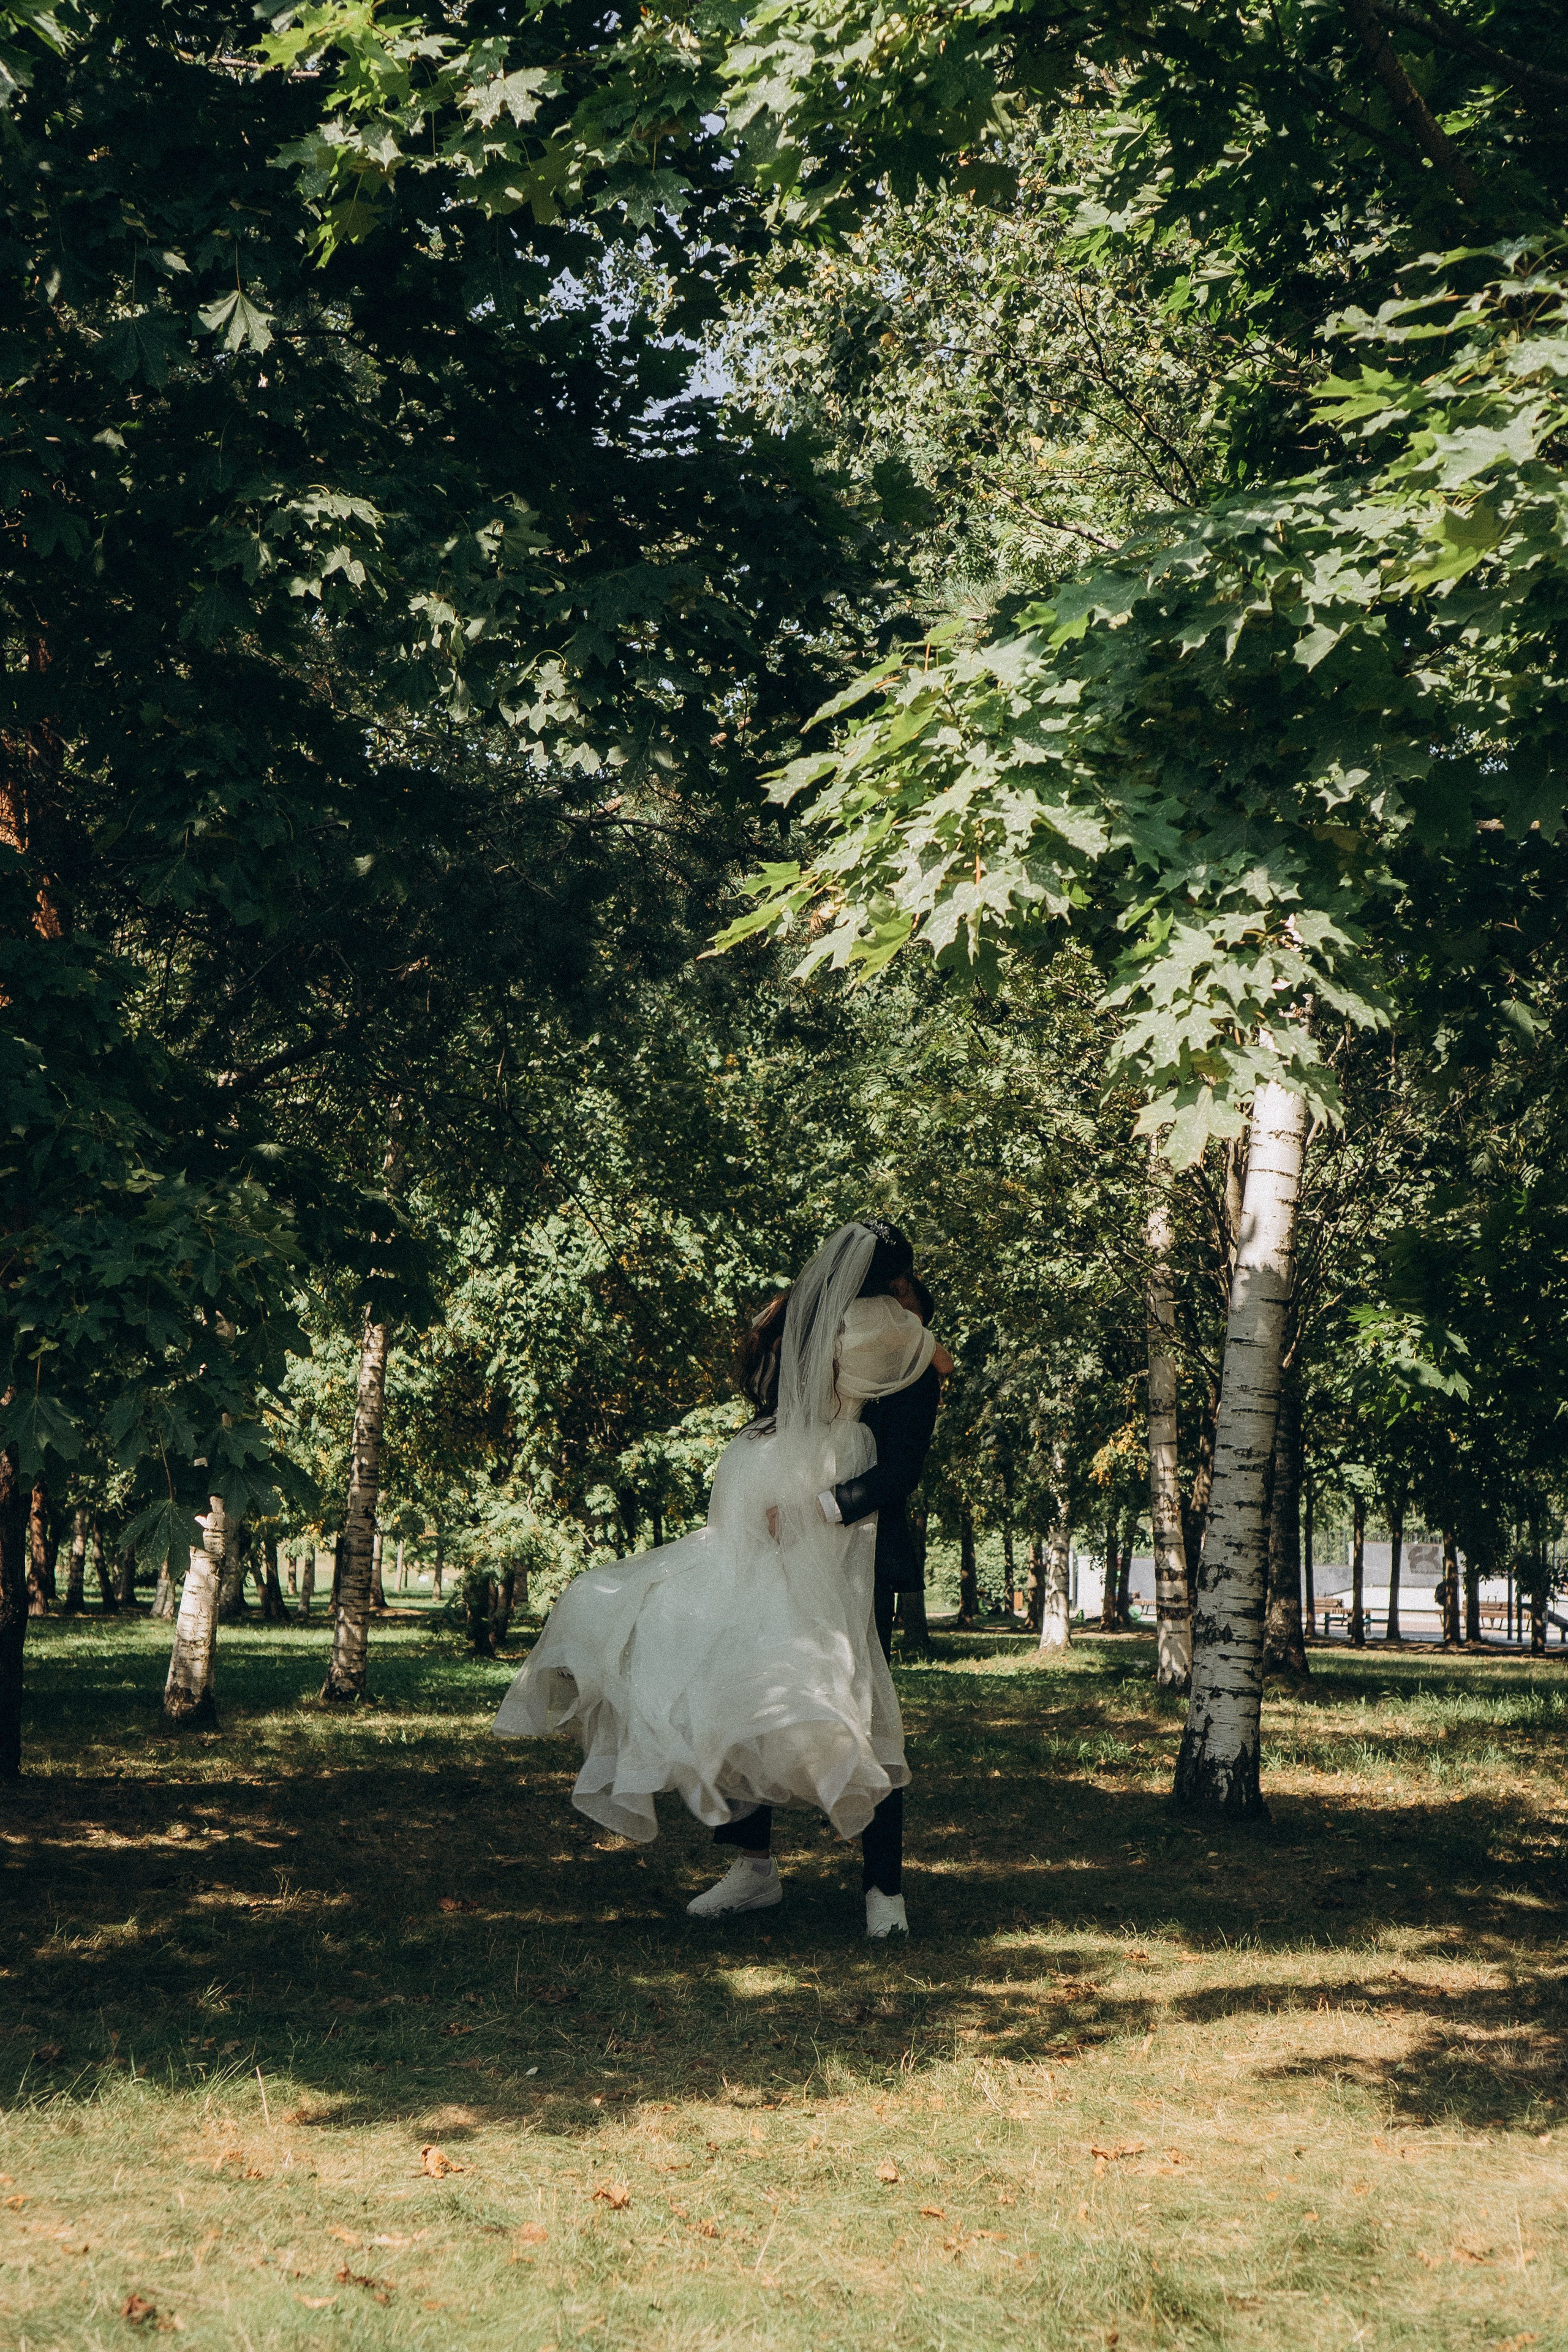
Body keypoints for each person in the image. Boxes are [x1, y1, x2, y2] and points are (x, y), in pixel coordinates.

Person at [492, 1219, 949, 1939]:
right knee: (737, 1678)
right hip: (758, 1529)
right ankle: (752, 1869)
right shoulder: (798, 1328)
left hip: (848, 1551)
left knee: (854, 1700)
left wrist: (818, 1507)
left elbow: (900, 1469)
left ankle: (883, 1892)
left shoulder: (902, 1346)